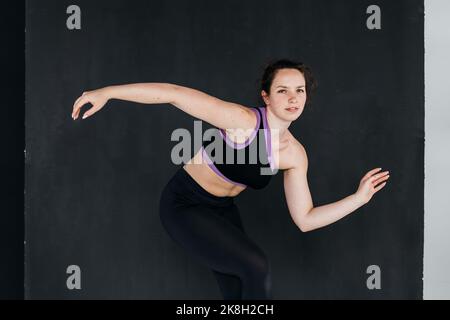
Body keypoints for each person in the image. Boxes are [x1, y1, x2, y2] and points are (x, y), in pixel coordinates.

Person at [71, 59, 390, 300]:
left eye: (299, 90)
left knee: (237, 286)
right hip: (184, 205)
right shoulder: (242, 122)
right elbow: (173, 94)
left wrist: (358, 199)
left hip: (222, 211)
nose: (293, 98)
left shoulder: (294, 154)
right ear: (266, 96)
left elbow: (305, 219)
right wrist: (107, 93)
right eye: (283, 90)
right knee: (255, 267)